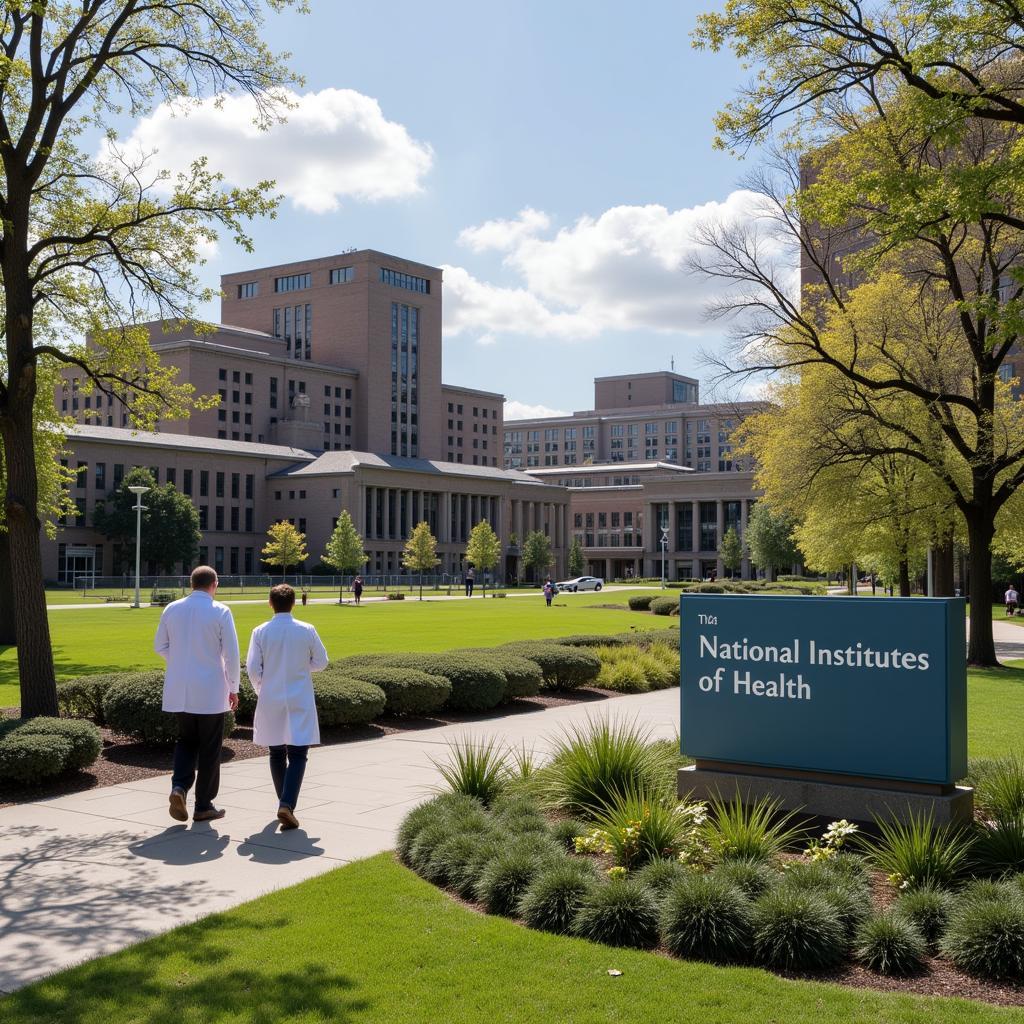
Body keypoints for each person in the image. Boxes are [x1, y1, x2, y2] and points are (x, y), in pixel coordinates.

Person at [155, 565, 240, 823]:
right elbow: (232, 654)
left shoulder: (172, 608)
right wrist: (234, 687)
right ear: (214, 584)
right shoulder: (220, 611)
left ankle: (179, 787)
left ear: (192, 584)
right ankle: (203, 804)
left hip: (180, 688)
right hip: (211, 689)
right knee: (210, 748)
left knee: (186, 741)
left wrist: (181, 661)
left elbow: (160, 646)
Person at [246, 583, 329, 830]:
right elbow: (322, 661)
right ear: (294, 603)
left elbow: (252, 668)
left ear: (270, 603)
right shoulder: (306, 629)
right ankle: (287, 803)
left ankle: (284, 802)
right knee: (298, 754)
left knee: (276, 752)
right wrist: (304, 668)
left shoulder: (260, 631)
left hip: (271, 695)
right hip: (299, 694)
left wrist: (261, 687)